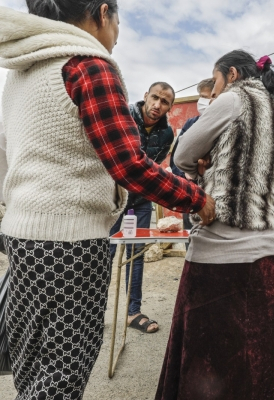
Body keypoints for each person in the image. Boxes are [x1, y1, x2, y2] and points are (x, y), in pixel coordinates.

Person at [0, 2, 215, 398]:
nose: (117, 32)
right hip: (70, 244)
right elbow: (131, 165)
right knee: (64, 368)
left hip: (21, 234)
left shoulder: (21, 70)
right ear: (103, 13)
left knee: (31, 361)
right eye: (118, 21)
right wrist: (196, 198)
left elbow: (5, 155)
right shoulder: (88, 65)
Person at [155, 50, 274, 400]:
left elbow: (182, 154)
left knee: (207, 357)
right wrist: (215, 164)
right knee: (255, 352)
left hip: (220, 247)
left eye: (214, 82)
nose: (212, 93)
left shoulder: (234, 99)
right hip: (267, 246)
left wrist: (202, 169)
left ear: (231, 75)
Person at [108, 81, 177, 334]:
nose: (158, 105)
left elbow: (153, 170)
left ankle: (132, 312)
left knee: (135, 257)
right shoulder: (123, 115)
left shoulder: (167, 134)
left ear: (171, 106)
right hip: (112, 200)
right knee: (105, 256)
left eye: (165, 102)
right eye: (155, 98)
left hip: (140, 203)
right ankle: (92, 314)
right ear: (146, 96)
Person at [169, 78, 214, 235]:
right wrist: (188, 179)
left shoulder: (224, 125)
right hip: (191, 193)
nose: (204, 101)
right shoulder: (191, 124)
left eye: (209, 97)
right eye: (202, 96)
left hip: (214, 194)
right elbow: (175, 160)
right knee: (191, 238)